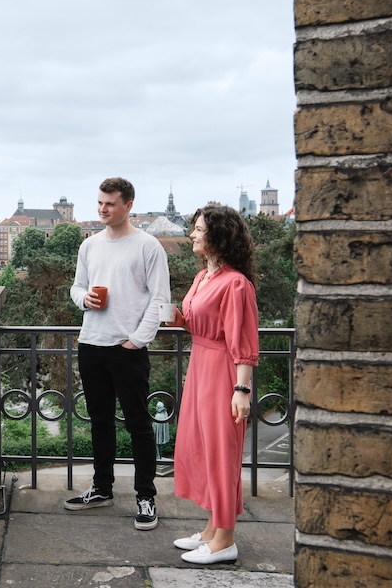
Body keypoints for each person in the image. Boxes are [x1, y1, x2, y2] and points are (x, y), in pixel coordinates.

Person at [63, 177, 170, 532]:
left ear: (128, 205)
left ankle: (146, 496)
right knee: (100, 422)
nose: (102, 209)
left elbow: (160, 300)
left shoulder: (148, 246)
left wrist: (137, 341)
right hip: (92, 343)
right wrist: (84, 299)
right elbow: (77, 287)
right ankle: (102, 488)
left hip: (127, 349)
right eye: (99, 203)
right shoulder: (89, 245)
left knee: (139, 425)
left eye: (109, 203)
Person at [166, 204, 258, 565]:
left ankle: (226, 541)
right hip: (200, 367)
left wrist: (241, 390)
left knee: (222, 454)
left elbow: (244, 342)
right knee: (203, 450)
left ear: (218, 236)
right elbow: (199, 324)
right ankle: (211, 531)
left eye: (199, 229)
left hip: (222, 373)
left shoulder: (236, 283)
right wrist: (179, 321)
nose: (192, 234)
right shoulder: (204, 276)